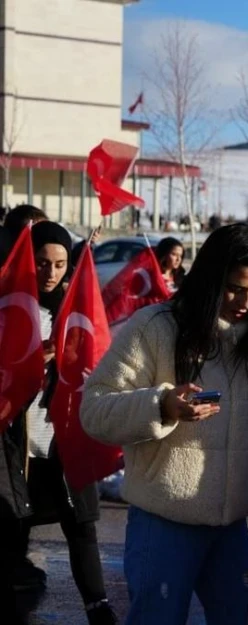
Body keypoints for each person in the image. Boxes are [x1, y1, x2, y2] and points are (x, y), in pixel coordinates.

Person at [80, 224, 248, 625]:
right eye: (235, 288)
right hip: (161, 526)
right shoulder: (155, 327)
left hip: (230, 531)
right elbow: (94, 409)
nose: (245, 302)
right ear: (211, 277)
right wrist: (161, 404)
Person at [0, 221, 117, 625]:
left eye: (60, 263)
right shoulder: (9, 306)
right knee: (14, 529)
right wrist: (32, 362)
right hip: (16, 441)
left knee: (81, 525)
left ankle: (97, 606)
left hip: (63, 438)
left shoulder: (76, 310)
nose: (51, 272)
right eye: (42, 262)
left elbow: (97, 364)